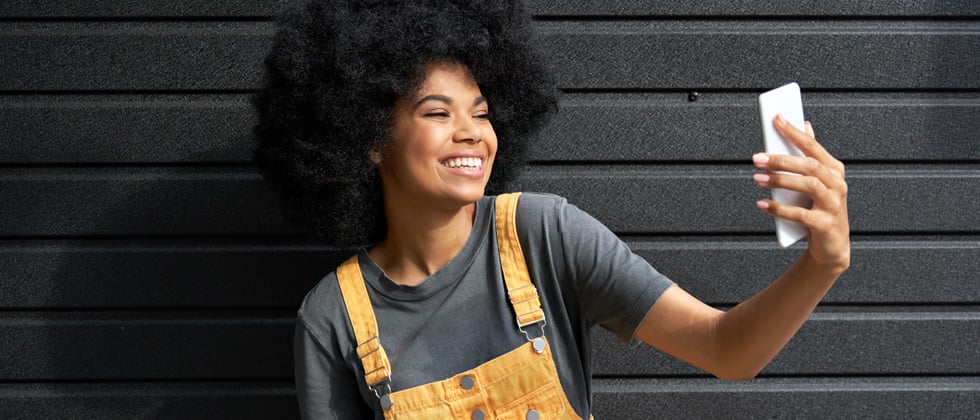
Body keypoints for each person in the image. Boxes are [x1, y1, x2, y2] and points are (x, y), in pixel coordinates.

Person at [253, 1, 851, 419]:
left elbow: (727, 350)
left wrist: (821, 265)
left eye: (482, 113)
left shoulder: (542, 234)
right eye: (438, 113)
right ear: (368, 139)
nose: (472, 134)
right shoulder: (332, 319)